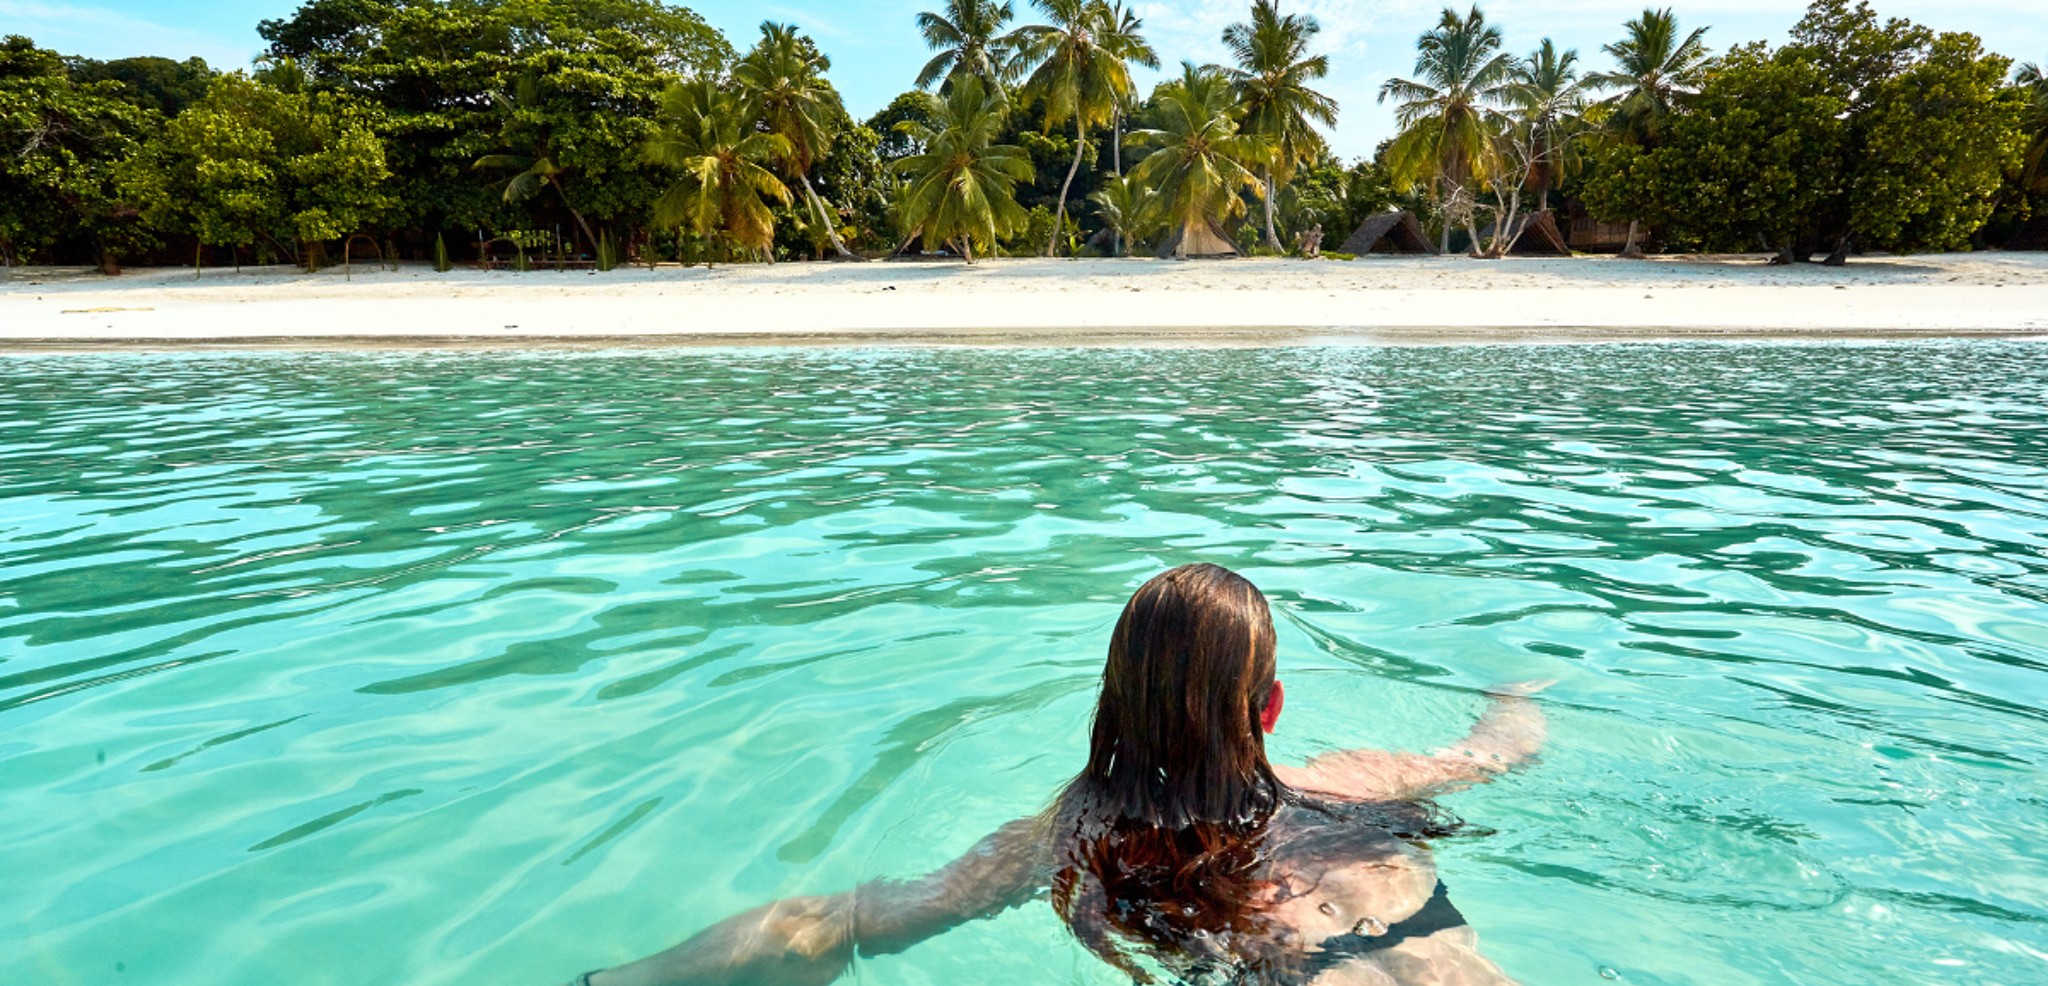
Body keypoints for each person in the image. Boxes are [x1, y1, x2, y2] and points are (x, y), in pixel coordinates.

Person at [562, 564, 1549, 986]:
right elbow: (1504, 744)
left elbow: (834, 920)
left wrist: (625, 975)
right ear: (1271, 706)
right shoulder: (1356, 780)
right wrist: (1517, 679)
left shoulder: (1072, 838)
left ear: (1113, 698)